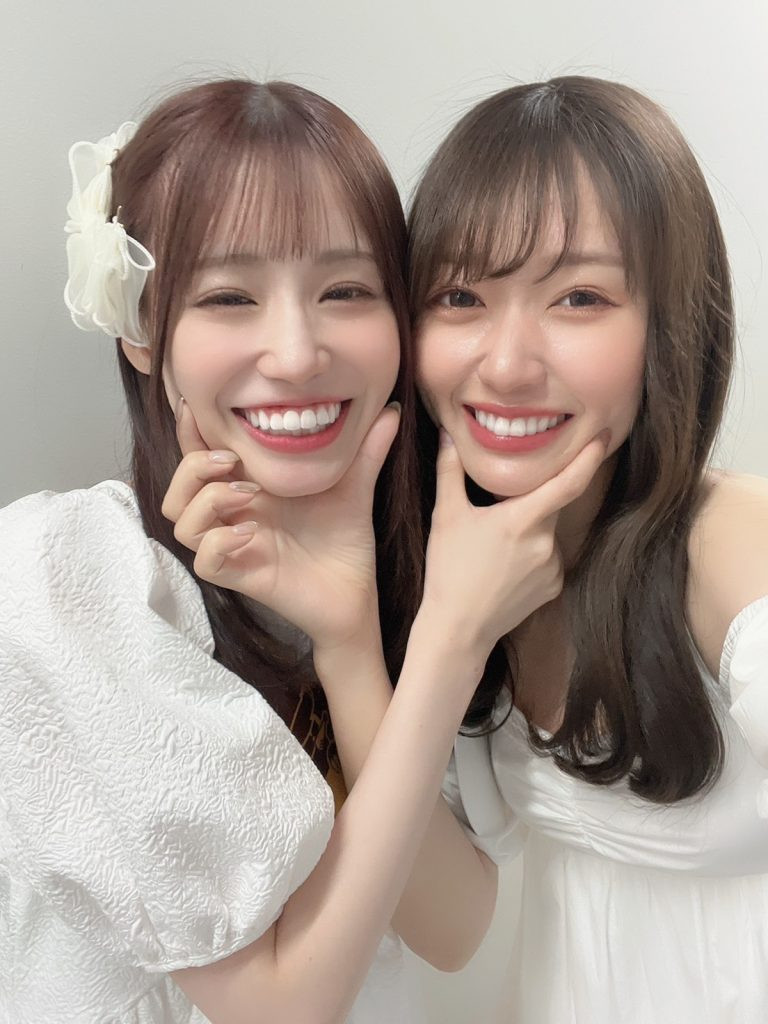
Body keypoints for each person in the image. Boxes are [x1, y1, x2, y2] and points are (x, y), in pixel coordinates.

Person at [0, 77, 607, 1024]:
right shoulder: (63, 578)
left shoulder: (401, 559)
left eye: (346, 291)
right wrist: (450, 639)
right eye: (229, 296)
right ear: (143, 335)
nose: (295, 353)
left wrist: (350, 636)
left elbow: (453, 928)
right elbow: (283, 1007)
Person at [408, 75, 768, 1023]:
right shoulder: (457, 570)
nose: (506, 364)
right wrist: (390, 633)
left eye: (578, 297)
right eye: (460, 295)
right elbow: (441, 927)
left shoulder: (731, 542)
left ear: (670, 326)